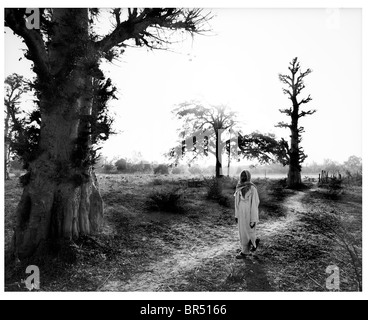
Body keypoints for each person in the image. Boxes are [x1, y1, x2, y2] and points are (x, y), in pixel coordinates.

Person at [234, 170, 260, 259]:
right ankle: (245, 250)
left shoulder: (252, 188)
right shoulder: (238, 187)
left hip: (249, 212)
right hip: (241, 212)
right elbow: (236, 203)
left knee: (250, 230)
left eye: (245, 175)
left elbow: (255, 204)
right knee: (242, 232)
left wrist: (253, 219)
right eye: (242, 175)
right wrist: (236, 215)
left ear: (249, 177)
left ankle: (251, 245)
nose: (243, 177)